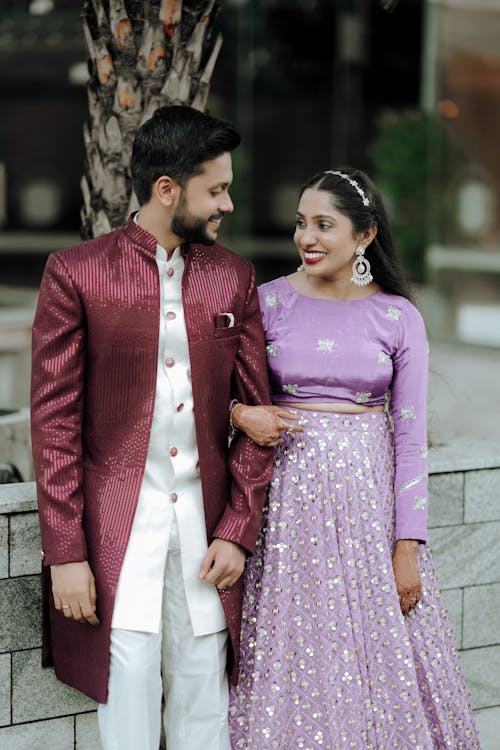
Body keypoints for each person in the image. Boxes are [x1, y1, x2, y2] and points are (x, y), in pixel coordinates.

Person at [30, 105, 274, 750]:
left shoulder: (235, 277)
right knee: (128, 706)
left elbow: (258, 421)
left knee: (204, 705)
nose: (228, 201)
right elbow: (54, 425)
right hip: (118, 538)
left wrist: (238, 530)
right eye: (215, 188)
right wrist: (67, 555)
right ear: (168, 190)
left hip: (205, 538)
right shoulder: (75, 273)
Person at [228, 168, 480, 749]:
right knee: (297, 656)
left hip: (368, 523)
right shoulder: (266, 304)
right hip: (284, 521)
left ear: (363, 236)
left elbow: (410, 440)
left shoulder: (397, 317)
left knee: (373, 659)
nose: (306, 238)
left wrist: (407, 547)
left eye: (324, 225)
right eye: (300, 224)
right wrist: (240, 416)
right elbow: (221, 397)